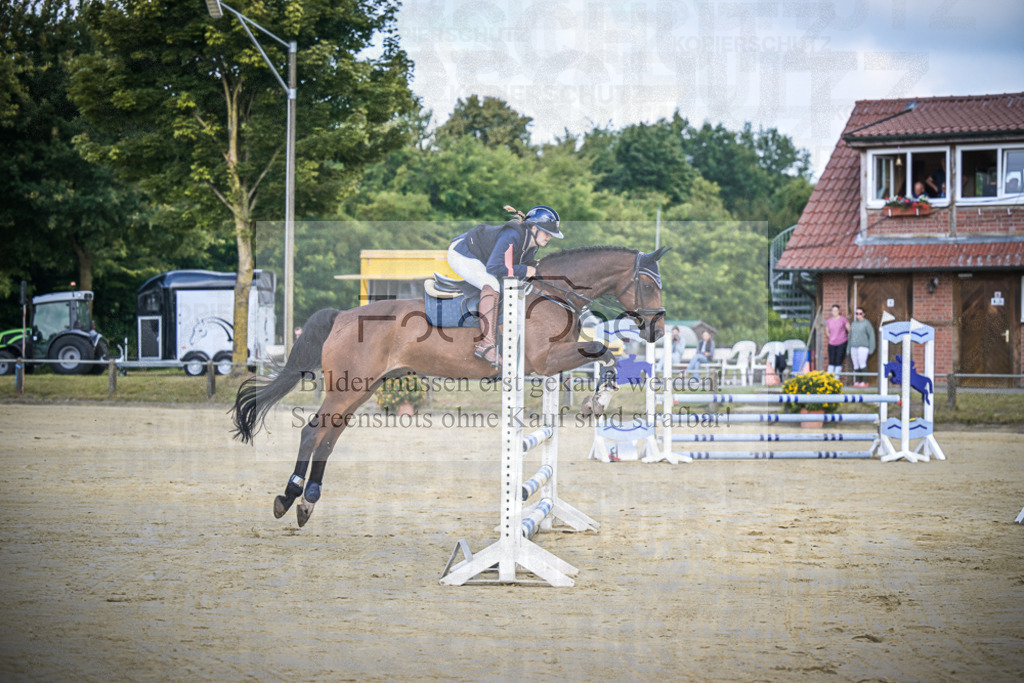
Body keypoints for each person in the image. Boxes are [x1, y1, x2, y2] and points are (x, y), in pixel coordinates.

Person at [446, 205, 563, 367]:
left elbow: (516, 266)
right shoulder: (512, 235)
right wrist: (525, 269)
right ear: (534, 228)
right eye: (547, 232)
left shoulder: (532, 245)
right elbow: (494, 268)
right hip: (462, 252)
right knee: (492, 285)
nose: (550, 237)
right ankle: (487, 345)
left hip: (480, 255)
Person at [847, 307, 876, 388]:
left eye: (860, 313)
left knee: (862, 363)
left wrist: (872, 347)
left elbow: (871, 336)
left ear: (863, 314)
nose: (858, 315)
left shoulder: (867, 323)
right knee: (855, 364)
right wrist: (848, 348)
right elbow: (851, 336)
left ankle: (865, 381)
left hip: (863, 346)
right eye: (856, 313)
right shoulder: (853, 324)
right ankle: (857, 381)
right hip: (853, 346)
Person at [825, 304, 850, 381]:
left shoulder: (843, 320)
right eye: (833, 310)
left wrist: (846, 338)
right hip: (832, 343)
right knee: (831, 361)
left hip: (841, 343)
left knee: (838, 361)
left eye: (836, 310)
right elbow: (827, 331)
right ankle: (829, 378)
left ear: (839, 311)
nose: (834, 312)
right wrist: (831, 338)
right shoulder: (829, 321)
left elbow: (849, 329)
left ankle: (836, 378)